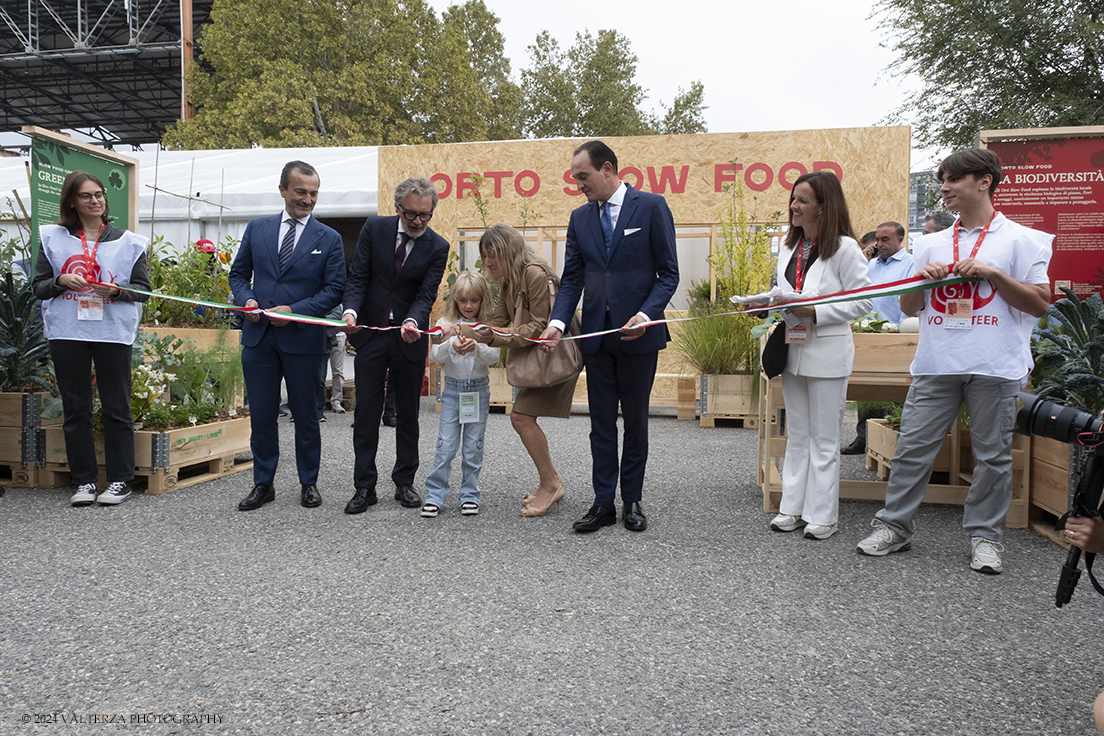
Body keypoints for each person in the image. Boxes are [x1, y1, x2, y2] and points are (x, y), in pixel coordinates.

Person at [856, 148, 1053, 573]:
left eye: (953, 179)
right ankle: (895, 527)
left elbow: (1039, 304)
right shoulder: (930, 243)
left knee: (993, 456)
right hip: (937, 362)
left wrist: (993, 274)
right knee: (911, 450)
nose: (943, 187)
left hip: (996, 364)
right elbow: (910, 308)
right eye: (943, 178)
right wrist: (921, 282)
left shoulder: (1023, 239)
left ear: (984, 181)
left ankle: (985, 537)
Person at [538, 141, 680, 533]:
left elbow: (669, 273)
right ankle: (603, 503)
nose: (578, 184)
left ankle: (631, 500)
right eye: (575, 178)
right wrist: (558, 324)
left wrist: (646, 314)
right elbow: (572, 281)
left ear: (607, 169)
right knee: (601, 423)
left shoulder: (651, 207)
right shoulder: (580, 218)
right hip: (597, 339)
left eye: (583, 176)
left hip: (639, 337)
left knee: (635, 421)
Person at [228, 161, 346, 511]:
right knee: (262, 415)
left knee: (307, 416)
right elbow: (238, 275)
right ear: (283, 190)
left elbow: (335, 289)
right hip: (259, 338)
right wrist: (246, 299)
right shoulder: (257, 228)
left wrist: (295, 311)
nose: (307, 200)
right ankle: (263, 483)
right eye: (300, 192)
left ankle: (308, 482)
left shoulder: (330, 238)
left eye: (313, 193)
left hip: (303, 340)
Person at [33, 171, 150, 506]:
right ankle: (83, 481)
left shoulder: (129, 242)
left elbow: (143, 291)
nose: (95, 201)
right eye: (86, 196)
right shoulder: (53, 238)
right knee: (76, 407)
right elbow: (38, 286)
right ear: (72, 201)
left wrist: (115, 290)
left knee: (116, 406)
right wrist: (59, 281)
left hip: (112, 332)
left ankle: (119, 480)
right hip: (67, 330)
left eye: (99, 194)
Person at [767, 171, 872, 540]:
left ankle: (822, 515)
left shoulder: (844, 248)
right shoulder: (788, 246)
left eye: (803, 200)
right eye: (793, 199)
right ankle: (791, 509)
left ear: (824, 207)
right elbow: (785, 292)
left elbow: (865, 301)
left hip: (827, 353)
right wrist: (766, 306)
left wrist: (819, 312)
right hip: (793, 352)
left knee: (825, 439)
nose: (794, 206)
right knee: (797, 435)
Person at [341, 177, 449, 514]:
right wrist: (350, 311)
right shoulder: (374, 229)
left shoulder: (438, 246)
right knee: (366, 413)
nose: (418, 222)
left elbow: (426, 294)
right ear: (398, 208)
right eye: (411, 214)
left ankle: (404, 482)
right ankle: (364, 487)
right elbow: (358, 276)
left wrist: (414, 321)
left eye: (425, 215)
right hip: (371, 334)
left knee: (407, 415)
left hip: (410, 337)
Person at [474, 224, 580, 517]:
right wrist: (464, 329)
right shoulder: (510, 278)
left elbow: (538, 327)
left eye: (490, 255)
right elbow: (496, 320)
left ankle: (551, 483)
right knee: (522, 417)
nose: (487, 263)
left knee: (521, 418)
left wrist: (493, 336)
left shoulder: (534, 273)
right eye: (484, 256)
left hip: (552, 358)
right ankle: (550, 481)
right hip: (538, 361)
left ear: (505, 251)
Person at [421, 271, 499, 517]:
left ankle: (470, 494)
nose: (468, 306)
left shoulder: (487, 327)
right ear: (454, 300)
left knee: (473, 446)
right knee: (445, 445)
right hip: (453, 390)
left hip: (478, 391)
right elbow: (435, 355)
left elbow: (494, 357)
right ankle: (435, 495)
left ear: (482, 300)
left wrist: (476, 347)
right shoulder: (445, 324)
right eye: (463, 300)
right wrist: (451, 344)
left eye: (473, 300)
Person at [841, 221, 915, 456]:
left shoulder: (910, 264)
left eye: (885, 240)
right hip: (868, 332)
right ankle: (864, 438)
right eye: (877, 240)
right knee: (866, 390)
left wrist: (904, 331)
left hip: (895, 335)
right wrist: (863, 259)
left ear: (900, 241)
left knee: (894, 391)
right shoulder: (871, 265)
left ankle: (893, 442)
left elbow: (909, 301)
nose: (879, 244)